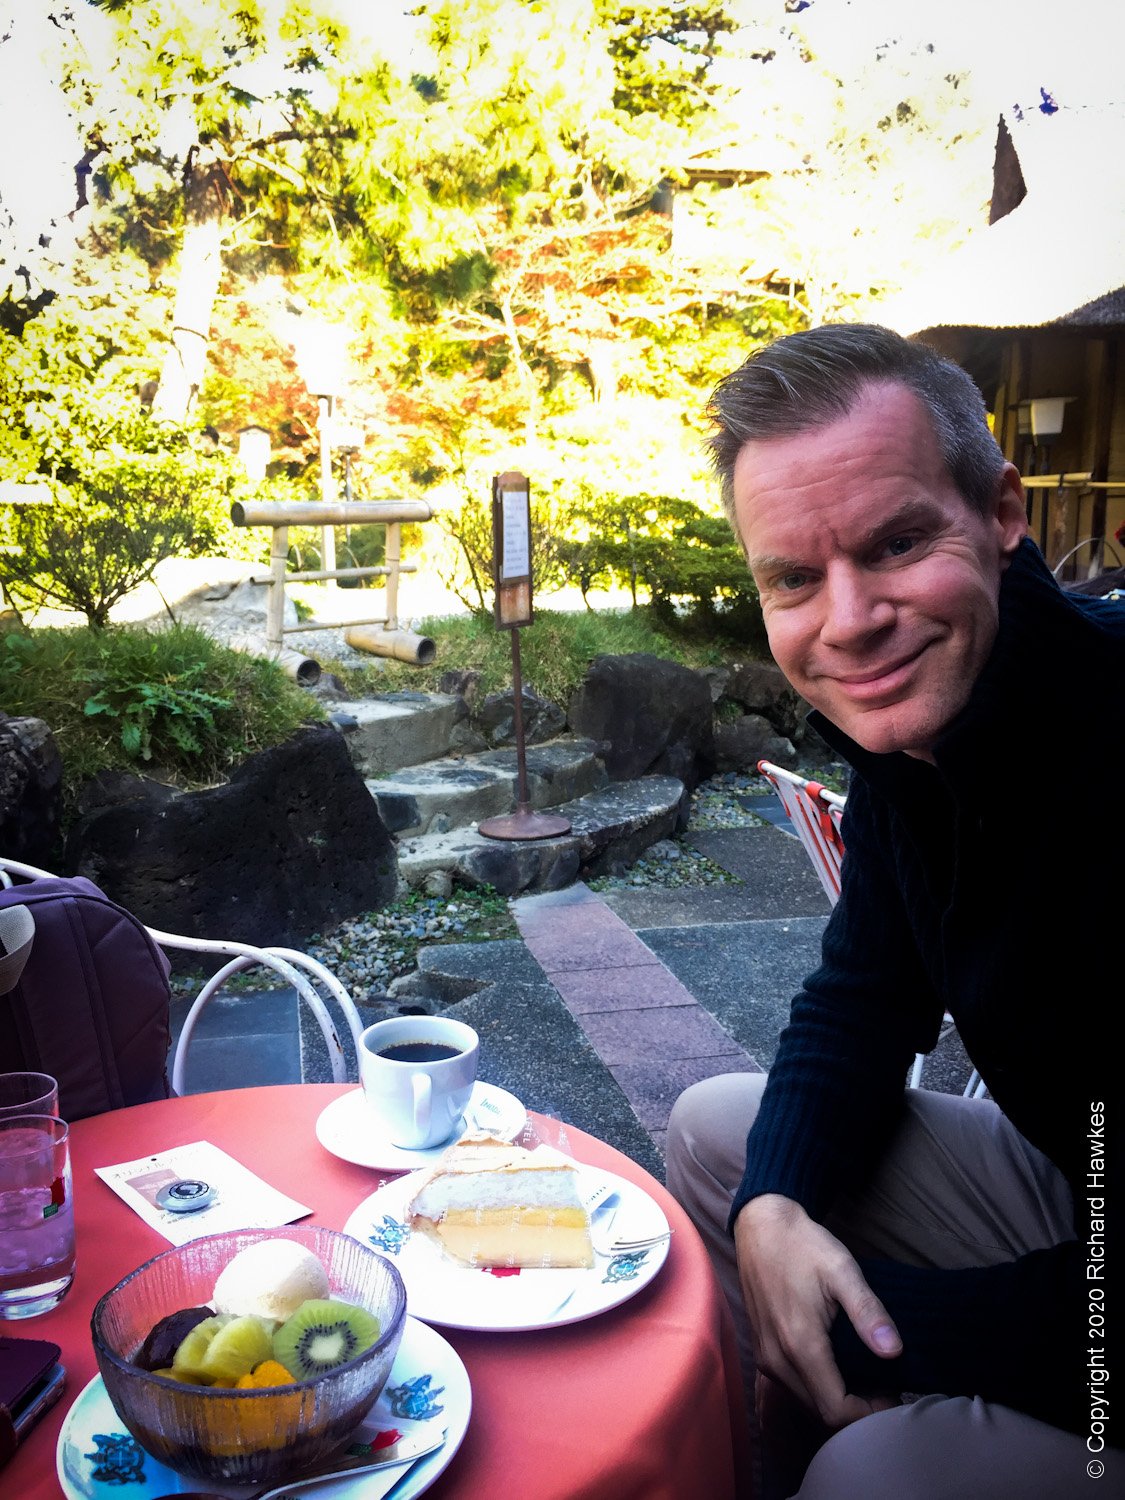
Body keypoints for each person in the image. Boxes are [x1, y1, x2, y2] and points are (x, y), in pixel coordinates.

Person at [666, 324, 1121, 1498]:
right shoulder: (916, 740)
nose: (850, 620)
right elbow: (864, 992)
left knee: (875, 1473)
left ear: (1002, 512)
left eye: (899, 543)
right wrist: (774, 1209)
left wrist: (869, 1322)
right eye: (793, 579)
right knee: (725, 1140)